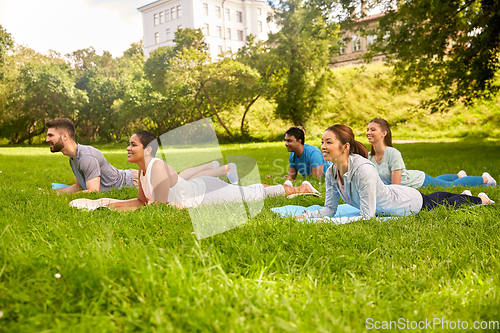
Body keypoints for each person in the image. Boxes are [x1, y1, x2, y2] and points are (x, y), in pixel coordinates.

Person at [69, 131, 320, 211]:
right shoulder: (143, 173)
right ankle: (296, 188)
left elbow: (158, 207)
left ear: (147, 150)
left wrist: (108, 204)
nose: (127, 148)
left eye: (132, 144)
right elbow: (140, 202)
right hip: (198, 194)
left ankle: (301, 188)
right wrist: (104, 204)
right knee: (250, 191)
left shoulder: (156, 168)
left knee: (253, 194)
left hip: (205, 193)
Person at [300, 124, 494, 220]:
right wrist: (308, 216)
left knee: (444, 203)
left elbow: (367, 217)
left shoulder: (363, 170)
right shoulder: (331, 172)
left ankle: (480, 199)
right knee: (437, 197)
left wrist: (328, 224)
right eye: (322, 142)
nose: (323, 147)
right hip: (395, 194)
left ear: (345, 147)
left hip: (406, 203)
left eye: (328, 142)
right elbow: (330, 210)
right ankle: (466, 194)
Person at [366, 118, 496, 188]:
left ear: (384, 133)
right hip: (411, 176)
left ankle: (485, 179)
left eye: (373, 129)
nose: (368, 132)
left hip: (418, 181)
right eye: (367, 130)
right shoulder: (368, 157)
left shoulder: (393, 154)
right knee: (437, 181)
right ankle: (459, 175)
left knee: (450, 186)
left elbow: (395, 187)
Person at [45, 118, 139, 193]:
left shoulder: (86, 157)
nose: (47, 139)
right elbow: (80, 186)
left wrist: (64, 197)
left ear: (64, 136)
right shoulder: (73, 157)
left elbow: (93, 191)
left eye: (50, 135)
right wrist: (55, 193)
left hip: (135, 181)